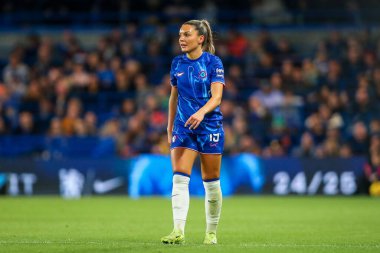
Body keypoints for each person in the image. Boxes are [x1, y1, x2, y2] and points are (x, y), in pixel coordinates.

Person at [161, 19, 225, 245]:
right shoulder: (177, 63)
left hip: (209, 126)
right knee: (179, 177)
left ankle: (211, 232)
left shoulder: (213, 62)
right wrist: (169, 126)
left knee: (211, 182)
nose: (181, 38)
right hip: (183, 126)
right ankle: (178, 230)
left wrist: (200, 113)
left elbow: (217, 97)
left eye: (187, 34)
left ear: (200, 39)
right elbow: (173, 97)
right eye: (180, 34)